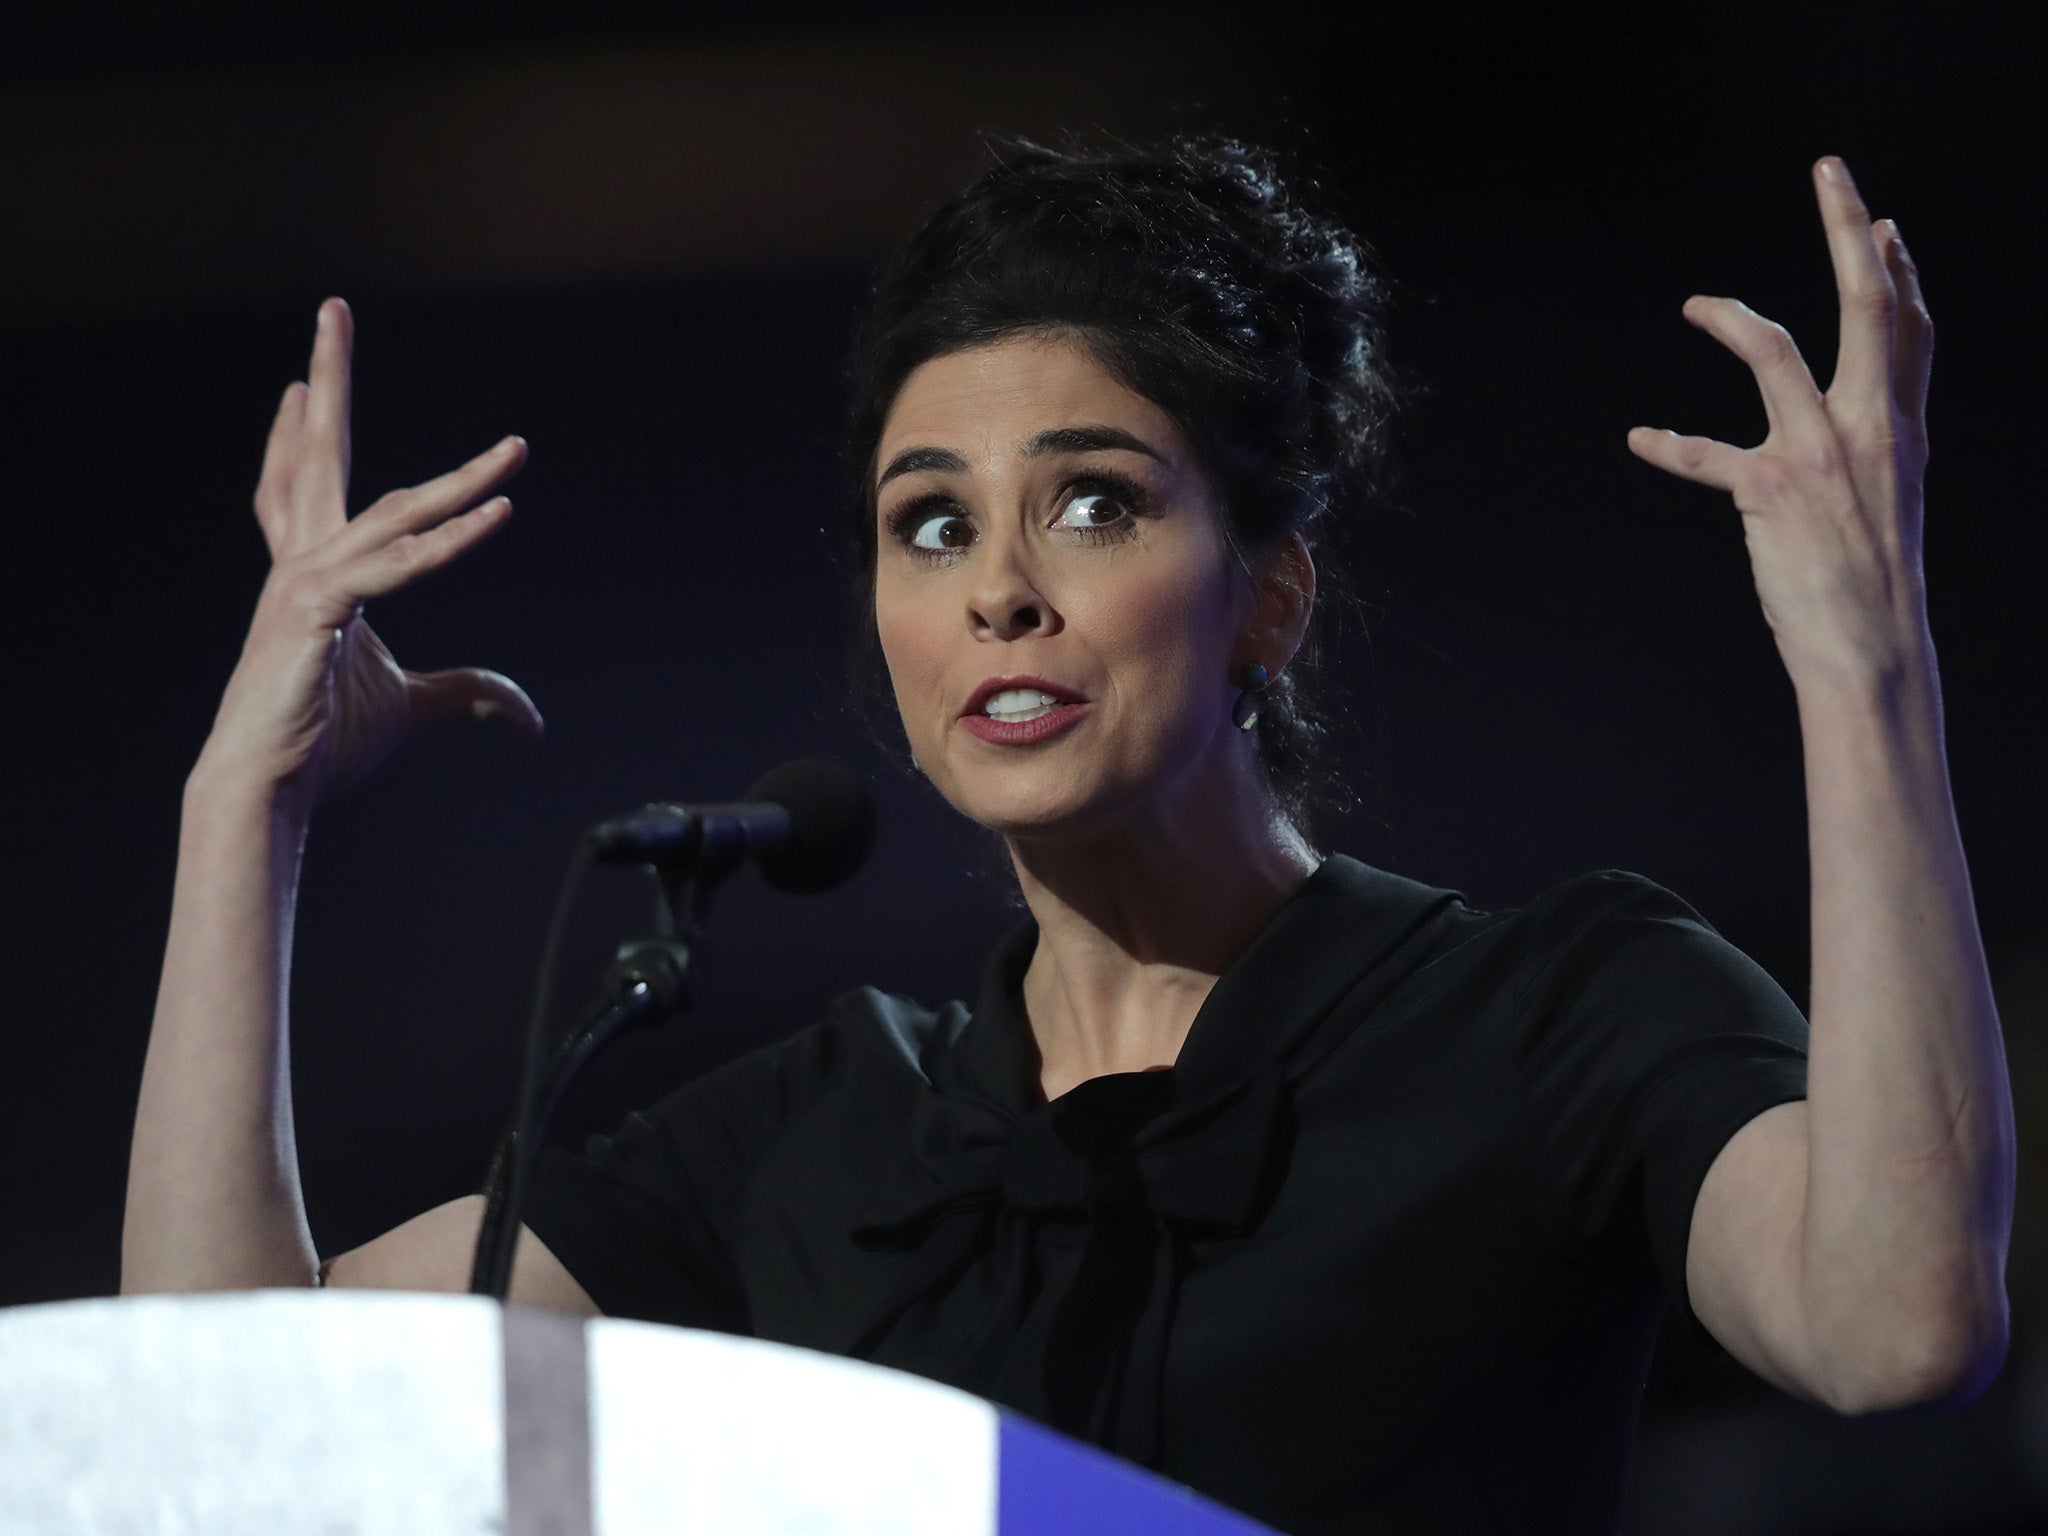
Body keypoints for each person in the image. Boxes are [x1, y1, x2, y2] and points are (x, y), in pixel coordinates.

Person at [121, 135, 2015, 1535]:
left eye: (1095, 505)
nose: (1002, 590)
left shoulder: (1549, 1014)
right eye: (930, 526)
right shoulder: (825, 1141)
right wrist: (244, 812)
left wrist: (1871, 672)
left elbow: (1897, 1321)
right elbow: (220, 1428)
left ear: (1267, 593)